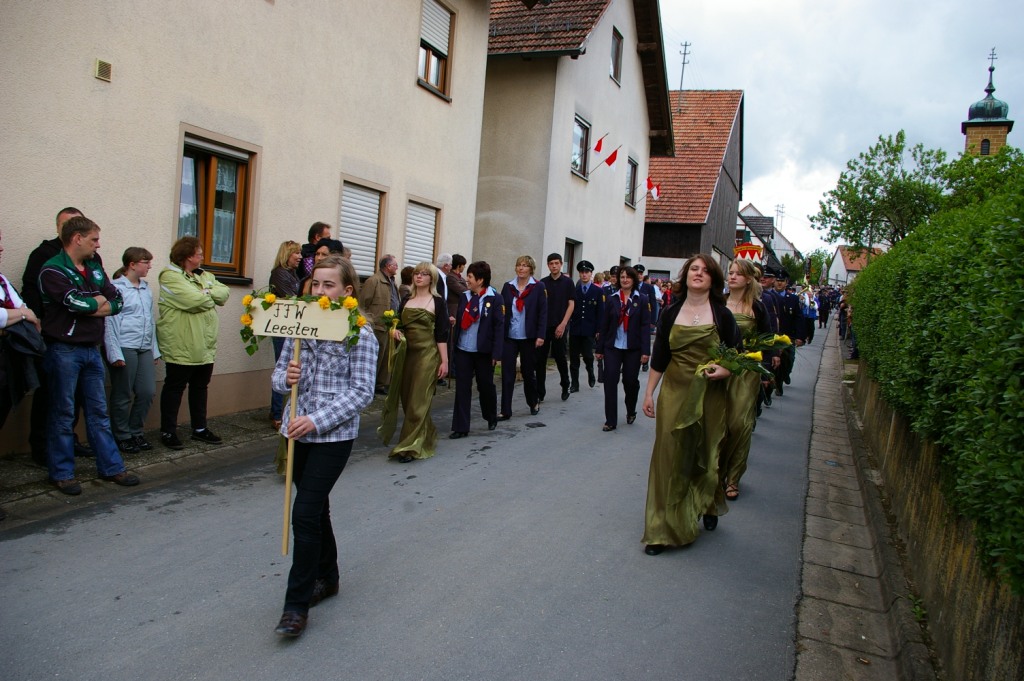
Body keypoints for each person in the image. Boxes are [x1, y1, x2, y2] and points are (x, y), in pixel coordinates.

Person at [271, 255, 377, 638]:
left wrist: (316, 420)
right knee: (316, 510)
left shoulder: (360, 333)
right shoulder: (299, 325)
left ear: (347, 291)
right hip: (296, 433)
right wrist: (287, 377)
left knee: (303, 514)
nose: (319, 291)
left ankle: (295, 606)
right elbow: (278, 377)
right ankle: (328, 577)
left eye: (328, 285)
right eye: (315, 284)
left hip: (332, 437)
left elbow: (362, 391)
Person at [640, 254, 741, 554]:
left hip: (709, 393)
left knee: (707, 452)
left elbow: (737, 354)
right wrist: (649, 393)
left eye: (705, 271)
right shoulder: (670, 312)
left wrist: (726, 369)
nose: (698, 274)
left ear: (713, 279)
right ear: (685, 276)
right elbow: (660, 356)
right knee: (667, 455)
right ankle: (660, 529)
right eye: (693, 269)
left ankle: (707, 503)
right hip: (674, 392)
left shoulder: (722, 315)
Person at [38, 216, 141, 495]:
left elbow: (117, 300)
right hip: (64, 350)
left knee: (98, 412)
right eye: (94, 239)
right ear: (77, 239)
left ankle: (111, 467)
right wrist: (97, 301)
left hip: (92, 350)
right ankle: (62, 473)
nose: (98, 244)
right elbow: (75, 304)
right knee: (63, 412)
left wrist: (93, 303)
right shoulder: (52, 270)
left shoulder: (94, 266)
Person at [22, 206, 90, 465]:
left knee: (76, 395)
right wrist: (39, 322)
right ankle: (41, 448)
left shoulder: (90, 256)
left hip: (82, 336)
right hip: (53, 337)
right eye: (67, 224)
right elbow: (30, 290)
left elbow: (98, 290)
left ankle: (69, 440)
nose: (73, 229)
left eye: (78, 224)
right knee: (49, 393)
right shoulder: (43, 255)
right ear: (58, 228)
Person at [156, 236, 230, 449]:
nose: (203, 257)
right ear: (188, 256)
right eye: (199, 254)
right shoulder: (170, 276)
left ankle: (199, 428)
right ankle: (168, 431)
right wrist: (207, 295)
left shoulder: (204, 275)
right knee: (175, 387)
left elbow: (224, 294)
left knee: (200, 387)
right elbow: (193, 301)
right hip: (182, 344)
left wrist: (205, 292)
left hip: (204, 345)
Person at [377, 262, 448, 462]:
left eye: (424, 274)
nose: (419, 276)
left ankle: (408, 447)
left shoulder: (438, 302)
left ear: (431, 278)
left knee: (418, 401)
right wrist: (395, 331)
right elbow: (398, 324)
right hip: (407, 355)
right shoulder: (407, 299)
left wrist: (444, 361)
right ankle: (425, 435)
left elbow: (442, 334)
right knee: (408, 400)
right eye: (417, 273)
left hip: (427, 355)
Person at [719, 259, 773, 501]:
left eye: (738, 274)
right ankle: (716, 472)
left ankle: (733, 477)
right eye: (730, 273)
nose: (732, 277)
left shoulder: (757, 307)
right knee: (718, 424)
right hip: (719, 366)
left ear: (749, 279)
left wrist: (766, 369)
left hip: (746, 371)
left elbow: (767, 339)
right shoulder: (718, 303)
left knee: (739, 424)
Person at [104, 247, 160, 454]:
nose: (149, 266)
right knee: (122, 393)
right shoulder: (116, 288)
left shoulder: (146, 288)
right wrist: (114, 353)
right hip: (125, 345)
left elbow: (150, 320)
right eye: (146, 262)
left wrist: (154, 349)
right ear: (132, 264)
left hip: (144, 346)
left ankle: (136, 431)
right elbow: (110, 322)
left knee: (147, 391)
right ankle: (122, 435)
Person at [450, 260, 504, 438]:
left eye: (470, 277)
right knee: (462, 388)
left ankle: (490, 416)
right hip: (463, 349)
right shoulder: (464, 297)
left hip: (483, 351)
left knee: (485, 386)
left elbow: (499, 327)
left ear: (480, 280)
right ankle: (461, 427)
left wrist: (496, 353)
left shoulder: (495, 298)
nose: (467, 279)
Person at [595, 266, 650, 431]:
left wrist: (646, 351)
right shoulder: (611, 299)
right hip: (613, 346)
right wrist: (599, 349)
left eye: (628, 277)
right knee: (610, 381)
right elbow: (604, 325)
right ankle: (610, 420)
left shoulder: (642, 299)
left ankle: (631, 410)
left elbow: (645, 326)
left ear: (634, 279)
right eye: (622, 277)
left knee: (630, 381)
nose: (625, 280)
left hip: (633, 348)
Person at [498, 255, 547, 420]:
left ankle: (533, 401)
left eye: (525, 265)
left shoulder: (538, 287)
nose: (521, 268)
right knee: (507, 374)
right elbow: (502, 310)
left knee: (528, 372)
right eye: (519, 265)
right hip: (510, 337)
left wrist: (540, 335)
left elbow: (543, 312)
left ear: (531, 269)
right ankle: (505, 410)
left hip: (528, 337)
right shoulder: (508, 287)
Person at [268, 240, 302, 428]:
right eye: (296, 253)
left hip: (292, 327)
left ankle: (279, 410)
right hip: (283, 328)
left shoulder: (292, 273)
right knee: (283, 369)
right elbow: (293, 299)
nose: (300, 257)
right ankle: (277, 413)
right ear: (287, 254)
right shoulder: (279, 274)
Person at [535, 252, 575, 402]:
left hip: (560, 325)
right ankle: (540, 391)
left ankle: (565, 385)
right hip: (545, 326)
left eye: (556, 263)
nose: (554, 266)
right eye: (551, 264)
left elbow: (571, 304)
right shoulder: (542, 283)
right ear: (548, 265)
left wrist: (563, 324)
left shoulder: (568, 282)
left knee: (560, 357)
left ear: (561, 264)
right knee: (540, 360)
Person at [360, 254, 400, 395]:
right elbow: (363, 303)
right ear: (388, 266)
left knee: (386, 357)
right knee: (376, 358)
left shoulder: (392, 282)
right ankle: (370, 385)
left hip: (389, 326)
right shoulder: (373, 281)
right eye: (395, 265)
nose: (397, 267)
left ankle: (381, 384)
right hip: (376, 326)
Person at [568, 260, 604, 392]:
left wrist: (599, 329)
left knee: (588, 355)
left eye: (587, 272)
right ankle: (574, 383)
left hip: (589, 329)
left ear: (591, 274)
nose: (584, 274)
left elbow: (600, 312)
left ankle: (590, 371)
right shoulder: (574, 290)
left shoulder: (597, 291)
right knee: (574, 357)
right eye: (582, 272)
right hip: (575, 328)